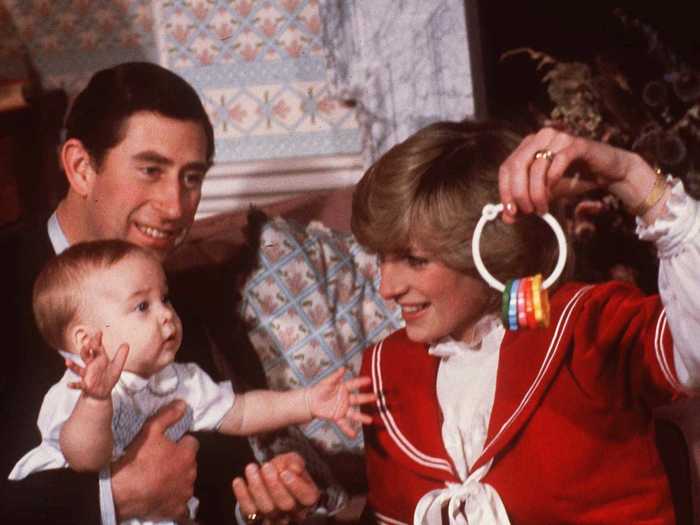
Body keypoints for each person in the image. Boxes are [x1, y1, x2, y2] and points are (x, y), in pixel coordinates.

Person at [0, 62, 322, 524]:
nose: (175, 207)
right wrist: (110, 501)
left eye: (192, 178)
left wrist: (257, 506)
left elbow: (211, 477)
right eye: (151, 170)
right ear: (80, 167)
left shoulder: (171, 304)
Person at [351, 120, 700, 523]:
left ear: (487, 249)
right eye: (382, 258)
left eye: (415, 260)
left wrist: (630, 175)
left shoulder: (586, 327)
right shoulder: (384, 370)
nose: (386, 288)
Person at [9, 239, 373, 524]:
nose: (167, 315)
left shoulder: (178, 380)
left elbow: (241, 412)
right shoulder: (78, 391)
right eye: (142, 307)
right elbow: (85, 457)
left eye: (164, 299)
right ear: (88, 341)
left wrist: (308, 402)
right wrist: (96, 401)